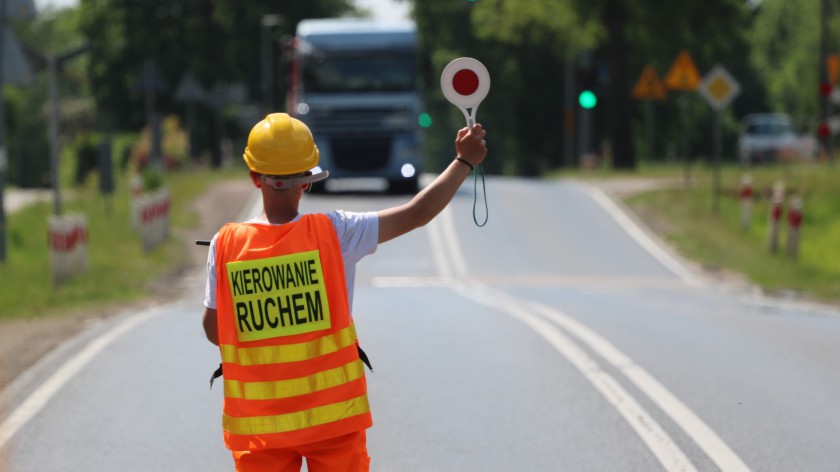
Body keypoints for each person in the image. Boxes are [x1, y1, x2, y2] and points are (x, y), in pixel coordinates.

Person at [202, 112, 487, 472]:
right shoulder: (335, 232)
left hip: (261, 430)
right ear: (307, 181)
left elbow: (215, 332)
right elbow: (418, 212)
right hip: (333, 422)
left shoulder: (224, 244)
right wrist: (464, 161)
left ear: (253, 177)